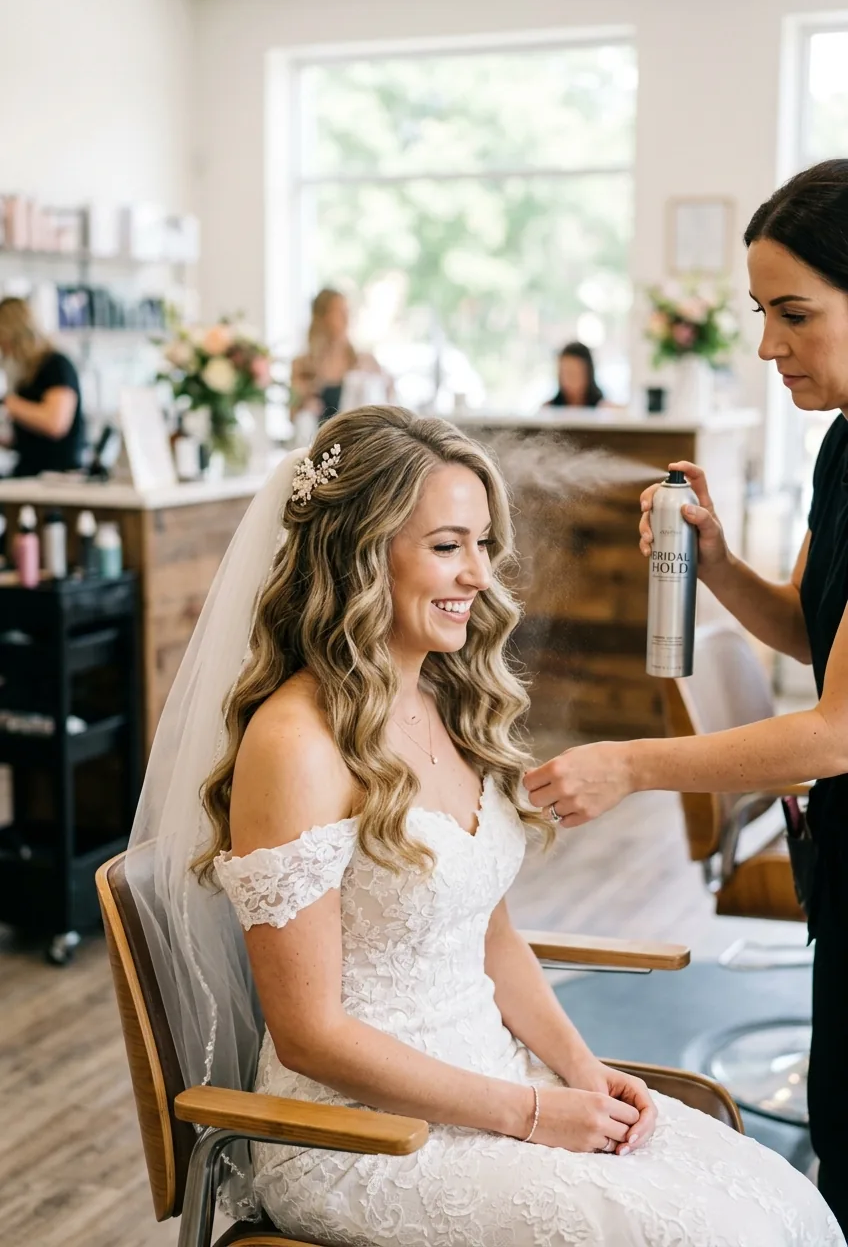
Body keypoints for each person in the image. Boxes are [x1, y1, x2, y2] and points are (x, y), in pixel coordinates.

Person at [127, 405, 839, 1245]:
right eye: (445, 546)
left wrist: (584, 1071)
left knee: (784, 1210)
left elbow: (490, 939)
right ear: (360, 552)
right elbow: (310, 1035)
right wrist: (534, 1112)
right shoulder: (295, 745)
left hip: (497, 1080)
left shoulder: (437, 699)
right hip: (366, 1140)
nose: (479, 574)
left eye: (482, 543)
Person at [524, 158, 848, 1236]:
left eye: (793, 313)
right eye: (760, 313)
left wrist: (626, 762)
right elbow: (808, 628)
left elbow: (837, 729)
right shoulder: (843, 447)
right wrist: (712, 563)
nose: (766, 347)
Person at [0, 296, 85, 477]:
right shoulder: (26, 374)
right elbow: (31, 440)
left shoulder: (56, 365)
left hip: (56, 476)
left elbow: (56, 423)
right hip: (29, 470)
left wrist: (10, 404)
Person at [289, 287, 390, 425]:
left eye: (347, 312)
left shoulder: (364, 361)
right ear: (322, 317)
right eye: (339, 312)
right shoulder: (303, 365)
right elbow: (292, 416)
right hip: (318, 443)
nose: (346, 318)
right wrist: (304, 404)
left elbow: (389, 404)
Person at [545, 341, 604, 408]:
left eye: (573, 374)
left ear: (588, 373)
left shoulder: (606, 411)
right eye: (564, 373)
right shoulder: (548, 410)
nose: (567, 380)